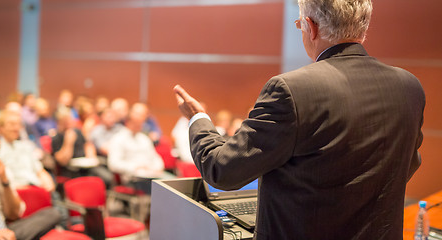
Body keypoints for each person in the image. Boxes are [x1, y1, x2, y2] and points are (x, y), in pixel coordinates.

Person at [173, 0, 425, 239]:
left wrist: (198, 118)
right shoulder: (409, 87)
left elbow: (221, 170)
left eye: (299, 26)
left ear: (310, 26)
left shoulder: (292, 89)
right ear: (364, 28)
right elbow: (407, 164)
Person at [0, 122, 60, 240]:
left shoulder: (3, 169)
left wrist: (4, 181)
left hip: (5, 227)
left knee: (52, 213)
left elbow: (13, 214)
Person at [108, 106, 168, 194]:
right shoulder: (118, 139)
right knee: (160, 190)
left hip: (150, 174)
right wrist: (135, 167)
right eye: (136, 122)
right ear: (128, 122)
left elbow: (155, 157)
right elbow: (113, 163)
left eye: (141, 122)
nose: (139, 125)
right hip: (132, 178)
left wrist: (157, 167)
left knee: (170, 184)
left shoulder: (144, 139)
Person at [0, 111, 55, 192]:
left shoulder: (26, 146)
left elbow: (40, 170)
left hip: (37, 188)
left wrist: (48, 181)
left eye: (18, 124)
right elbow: (4, 183)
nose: (16, 128)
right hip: (17, 193)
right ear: (1, 128)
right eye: (12, 124)